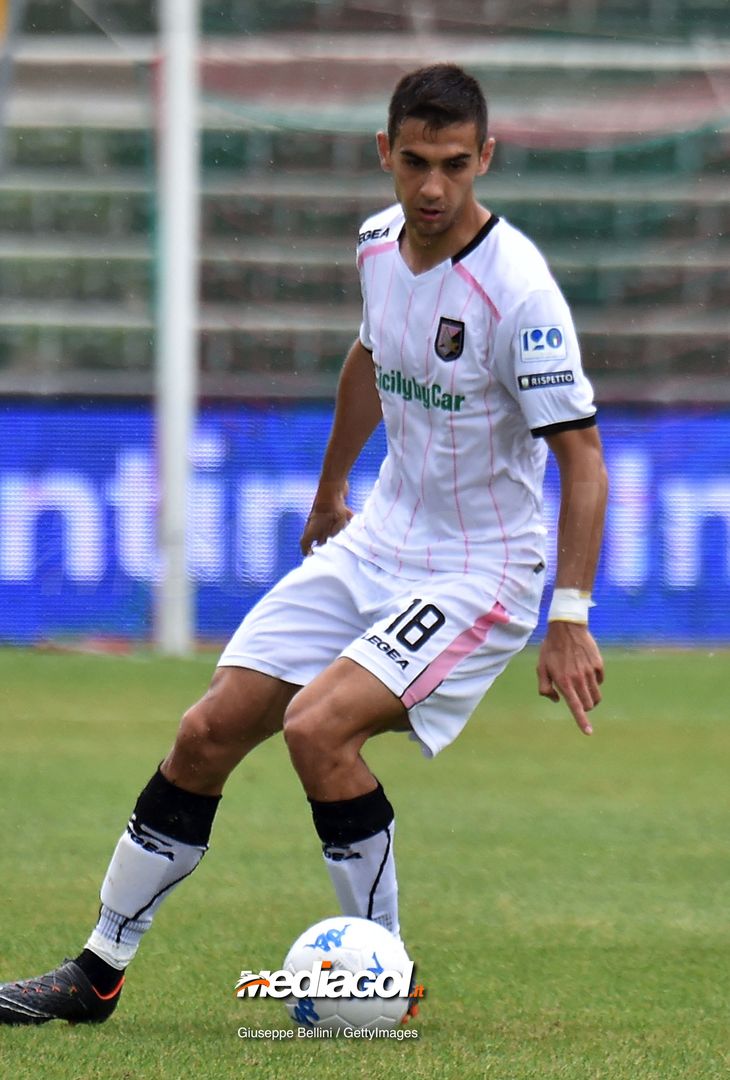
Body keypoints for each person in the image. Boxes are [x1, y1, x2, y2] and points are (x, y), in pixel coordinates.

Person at [0, 63, 607, 1025]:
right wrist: (331, 488)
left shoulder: (519, 292)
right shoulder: (376, 248)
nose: (433, 187)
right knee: (204, 733)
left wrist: (569, 617)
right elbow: (370, 358)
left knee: (319, 729)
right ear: (385, 154)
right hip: (378, 543)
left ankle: (385, 985)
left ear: (486, 156)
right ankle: (96, 972)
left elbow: (584, 458)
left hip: (481, 570)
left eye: (455, 164)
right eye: (415, 162)